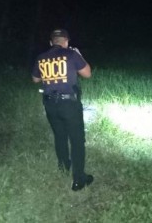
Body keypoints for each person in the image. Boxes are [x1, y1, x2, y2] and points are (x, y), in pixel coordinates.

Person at [31, 28, 94, 191]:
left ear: (51, 43)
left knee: (60, 135)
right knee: (77, 140)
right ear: (66, 42)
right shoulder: (72, 55)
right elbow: (87, 74)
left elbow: (35, 79)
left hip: (50, 104)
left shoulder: (41, 57)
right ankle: (79, 179)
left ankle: (63, 167)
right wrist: (79, 54)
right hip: (69, 104)